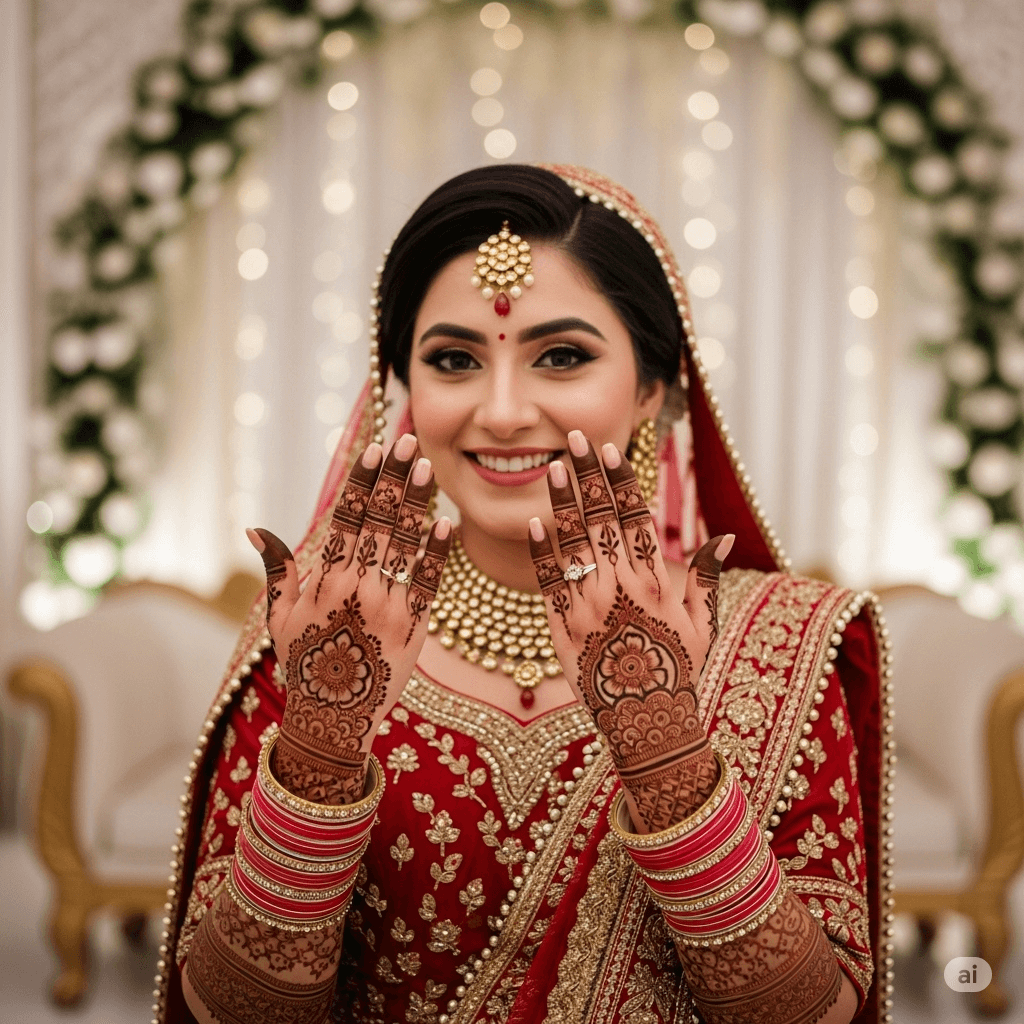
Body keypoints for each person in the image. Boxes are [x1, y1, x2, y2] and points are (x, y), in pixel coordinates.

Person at [154, 165, 892, 1024]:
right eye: (454, 360)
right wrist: (323, 745)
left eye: (563, 355)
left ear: (655, 387)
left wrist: (667, 755)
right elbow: (230, 1013)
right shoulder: (326, 629)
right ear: (405, 393)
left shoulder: (781, 644)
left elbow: (817, 1015)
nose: (502, 413)